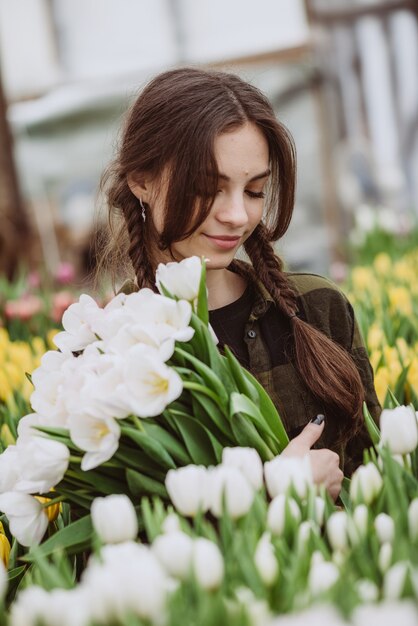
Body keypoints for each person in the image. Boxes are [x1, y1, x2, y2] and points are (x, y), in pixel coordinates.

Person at [99, 67, 381, 500]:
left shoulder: (318, 308)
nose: (236, 215)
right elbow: (112, 542)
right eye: (208, 189)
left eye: (253, 191)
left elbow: (382, 486)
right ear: (142, 181)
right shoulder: (106, 350)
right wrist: (272, 495)